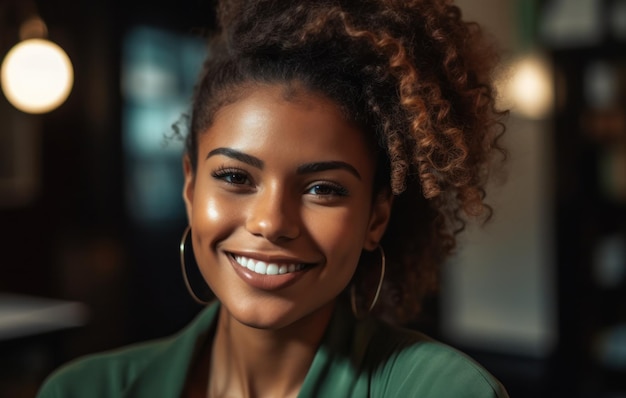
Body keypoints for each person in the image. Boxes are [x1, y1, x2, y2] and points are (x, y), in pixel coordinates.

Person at [38, 0, 509, 396]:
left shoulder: (440, 390)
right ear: (189, 185)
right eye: (235, 177)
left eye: (323, 189)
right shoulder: (84, 389)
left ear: (376, 217)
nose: (271, 222)